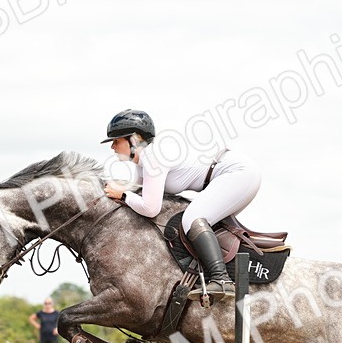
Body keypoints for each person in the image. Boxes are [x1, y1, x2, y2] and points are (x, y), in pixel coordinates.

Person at [100, 109, 261, 299]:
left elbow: (151, 208)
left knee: (192, 218)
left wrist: (123, 195)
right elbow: (138, 191)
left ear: (134, 140)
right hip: (231, 176)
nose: (112, 147)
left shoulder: (153, 157)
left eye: (116, 141)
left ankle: (221, 280)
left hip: (238, 174)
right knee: (202, 222)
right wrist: (119, 190)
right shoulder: (143, 162)